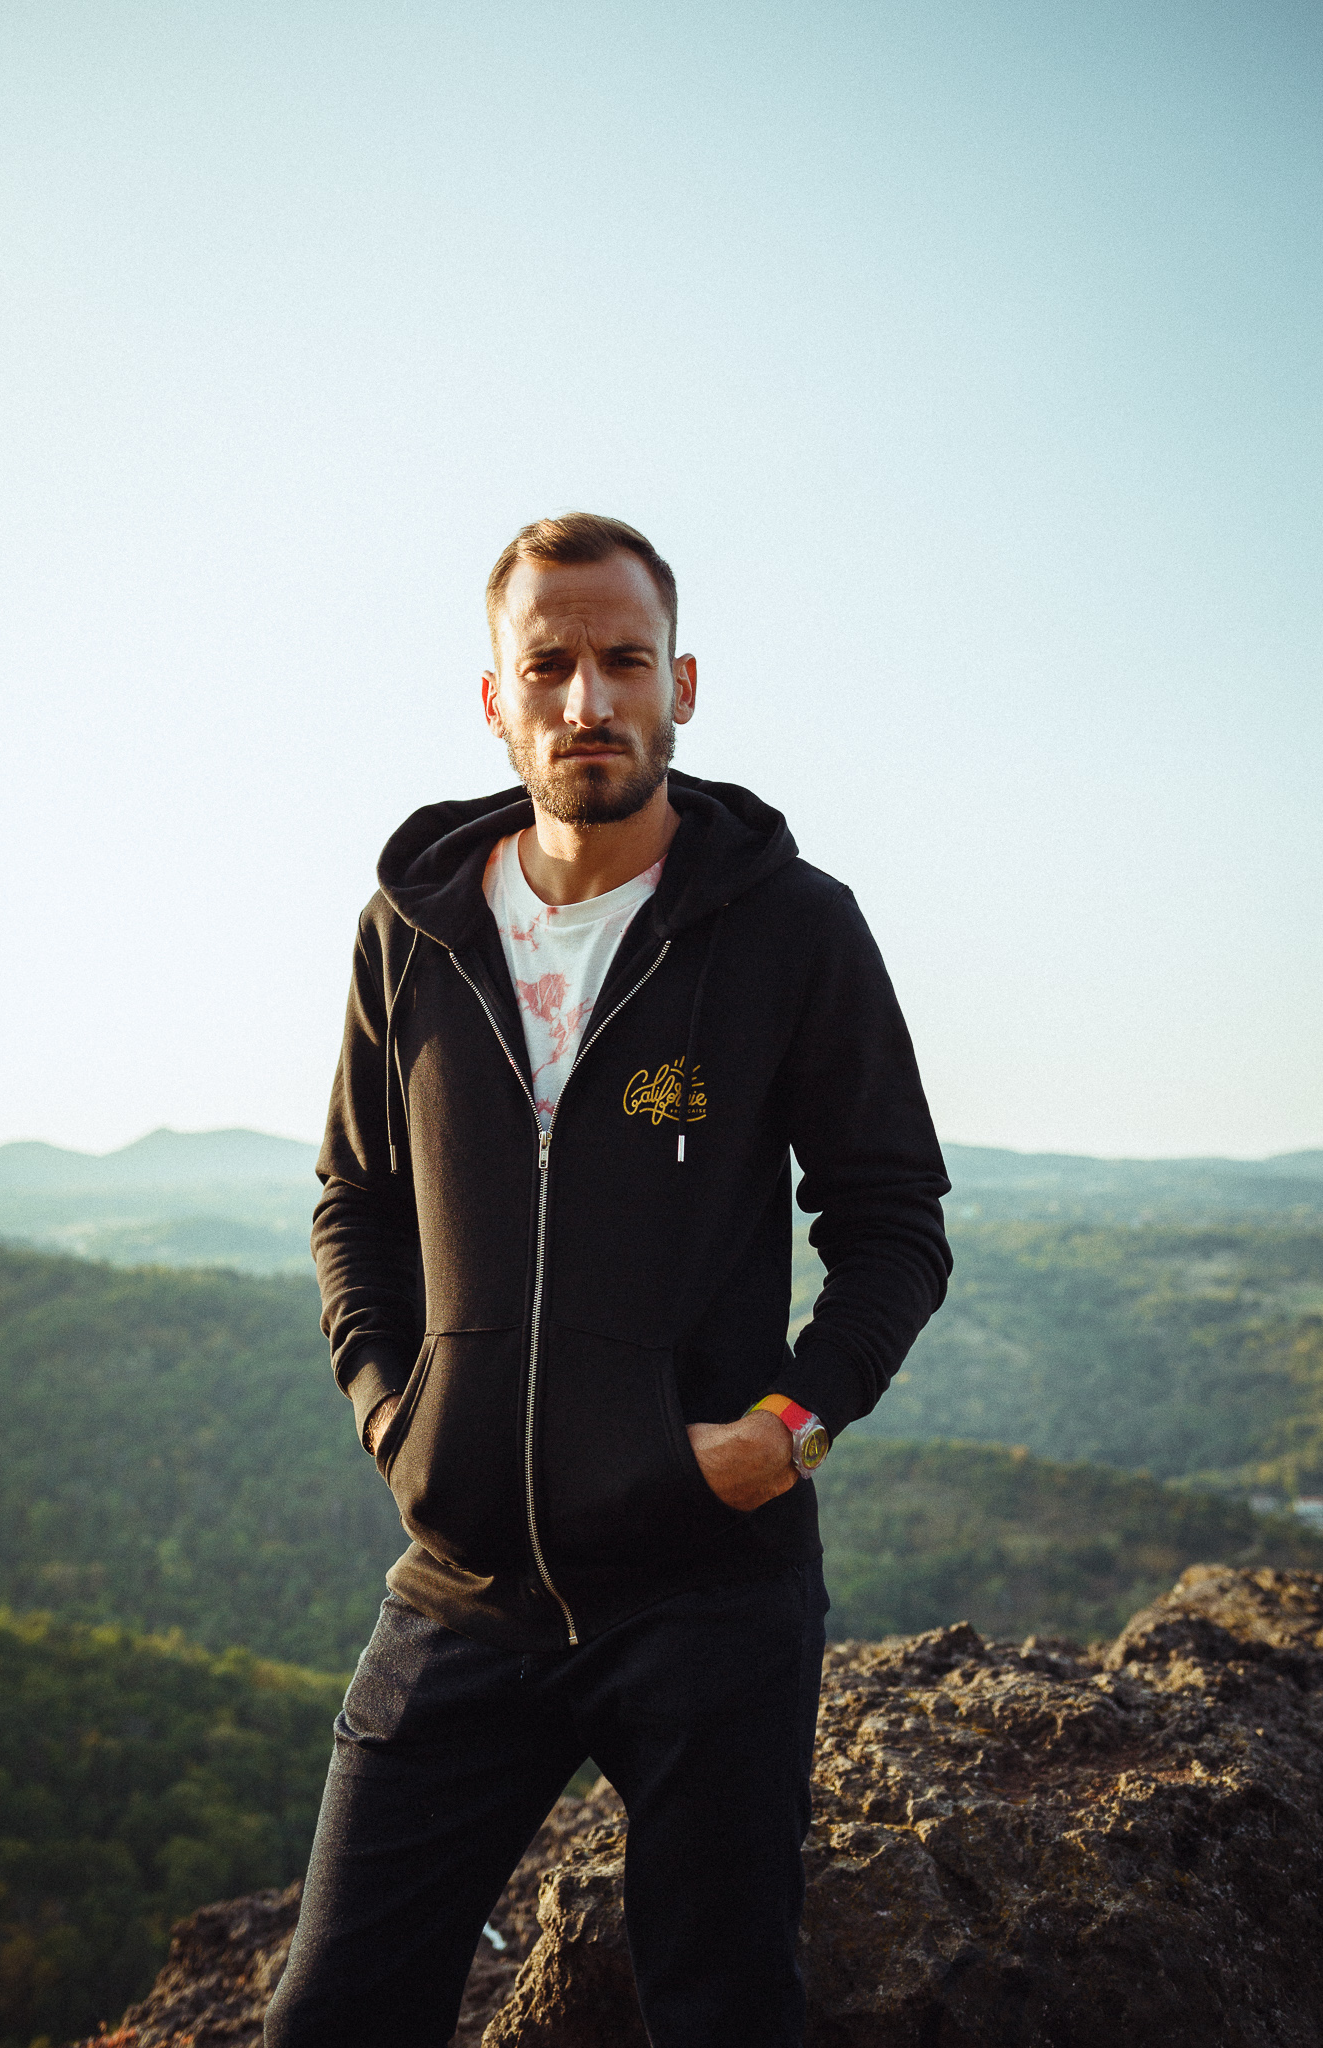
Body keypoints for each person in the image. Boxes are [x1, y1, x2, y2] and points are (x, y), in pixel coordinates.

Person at [264, 513, 951, 2048]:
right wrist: (391, 1413)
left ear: (680, 685)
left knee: (720, 2012)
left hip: (709, 1585)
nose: (588, 699)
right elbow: (354, 1200)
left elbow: (891, 1217)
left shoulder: (791, 929)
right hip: (465, 1588)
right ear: (495, 700)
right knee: (331, 2016)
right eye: (549, 666)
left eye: (624, 661)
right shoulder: (414, 932)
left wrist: (791, 1427)